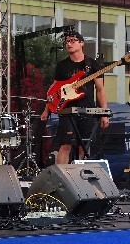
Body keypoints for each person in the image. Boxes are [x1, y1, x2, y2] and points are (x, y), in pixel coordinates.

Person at [39, 31, 109, 164]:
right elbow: (54, 89)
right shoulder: (62, 66)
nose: (69, 44)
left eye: (72, 41)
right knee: (65, 145)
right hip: (67, 110)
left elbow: (100, 89)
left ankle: (79, 173)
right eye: (67, 41)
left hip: (87, 109)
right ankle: (62, 175)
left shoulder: (92, 64)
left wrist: (104, 113)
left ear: (81, 43)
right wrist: (47, 109)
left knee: (84, 147)